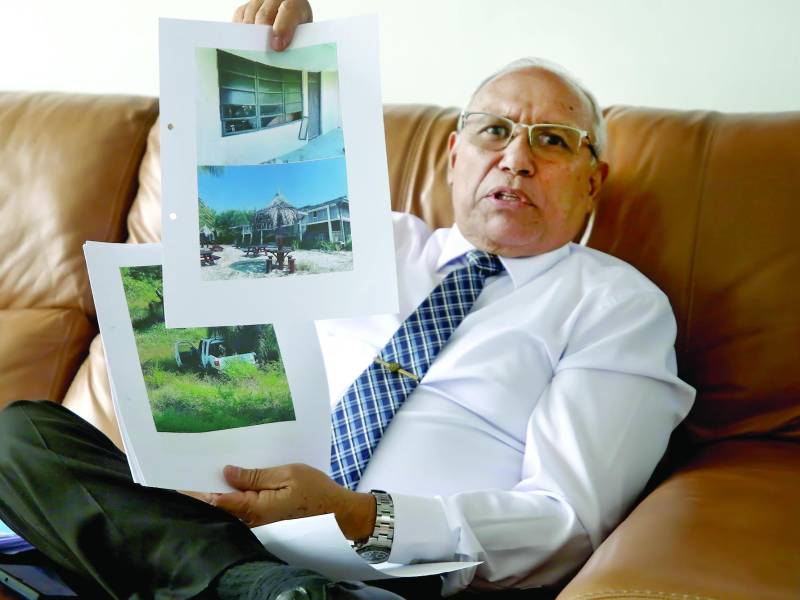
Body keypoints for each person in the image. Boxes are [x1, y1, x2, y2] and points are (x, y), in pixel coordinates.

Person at [0, 1, 695, 598]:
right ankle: (248, 585)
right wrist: (276, 57)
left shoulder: (615, 305)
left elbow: (566, 520)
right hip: (213, 523)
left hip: (385, 566)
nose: (515, 158)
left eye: (552, 141)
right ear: (454, 155)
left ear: (593, 181)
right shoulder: (370, 239)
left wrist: (359, 515)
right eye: (494, 130)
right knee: (22, 432)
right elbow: (225, 232)